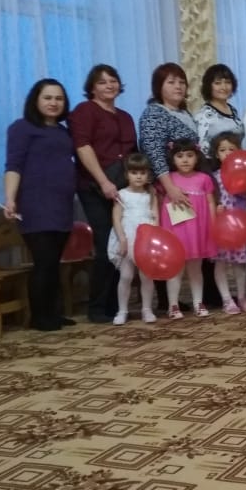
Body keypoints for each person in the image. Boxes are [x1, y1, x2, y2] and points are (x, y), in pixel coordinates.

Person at [4, 78, 76, 332]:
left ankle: (53, 312)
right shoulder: (21, 128)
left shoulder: (64, 131)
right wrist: (10, 198)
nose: (53, 103)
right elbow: (13, 166)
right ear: (35, 100)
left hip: (62, 205)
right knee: (43, 262)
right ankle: (39, 317)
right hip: (35, 205)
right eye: (47, 97)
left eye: (59, 98)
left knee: (54, 262)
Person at [69, 64, 138, 323]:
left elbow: (132, 154)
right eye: (102, 82)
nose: (109, 85)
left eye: (113, 80)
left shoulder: (126, 117)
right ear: (92, 87)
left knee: (123, 242)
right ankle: (97, 307)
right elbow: (83, 147)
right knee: (105, 242)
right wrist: (103, 181)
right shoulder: (84, 111)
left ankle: (116, 305)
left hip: (123, 188)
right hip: (94, 186)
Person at [160, 138, 216, 320]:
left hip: (197, 231)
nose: (185, 160)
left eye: (190, 155)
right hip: (175, 230)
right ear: (172, 158)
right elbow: (160, 203)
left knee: (195, 268)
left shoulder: (204, 179)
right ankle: (173, 305)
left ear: (197, 157)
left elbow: (210, 202)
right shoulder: (168, 179)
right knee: (175, 268)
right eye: (180, 156)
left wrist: (213, 225)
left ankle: (198, 302)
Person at [138, 63, 200, 212]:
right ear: (159, 87)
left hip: (190, 181)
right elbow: (155, 154)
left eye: (182, 82)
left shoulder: (185, 113)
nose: (178, 86)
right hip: (168, 187)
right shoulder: (154, 113)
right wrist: (170, 187)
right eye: (171, 82)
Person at [107, 153, 158, 325]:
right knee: (126, 276)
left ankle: (147, 309)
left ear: (148, 175)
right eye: (134, 172)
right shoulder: (121, 194)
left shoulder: (151, 194)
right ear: (127, 174)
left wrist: (154, 239)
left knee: (146, 276)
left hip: (146, 239)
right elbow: (116, 218)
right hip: (128, 238)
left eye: (142, 173)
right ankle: (122, 311)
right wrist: (122, 239)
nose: (138, 176)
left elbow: (156, 217)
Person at [210, 132, 246, 315]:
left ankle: (242, 297)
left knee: (240, 263)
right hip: (221, 227)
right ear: (216, 154)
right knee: (221, 262)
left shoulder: (245, 176)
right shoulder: (214, 176)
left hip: (240, 226)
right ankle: (226, 299)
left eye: (232, 149)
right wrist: (216, 209)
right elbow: (209, 200)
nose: (227, 153)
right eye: (223, 150)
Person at [195, 63, 244, 159]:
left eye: (228, 82)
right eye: (217, 83)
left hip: (236, 163)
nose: (224, 87)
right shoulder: (203, 115)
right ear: (209, 86)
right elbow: (202, 150)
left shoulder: (233, 110)